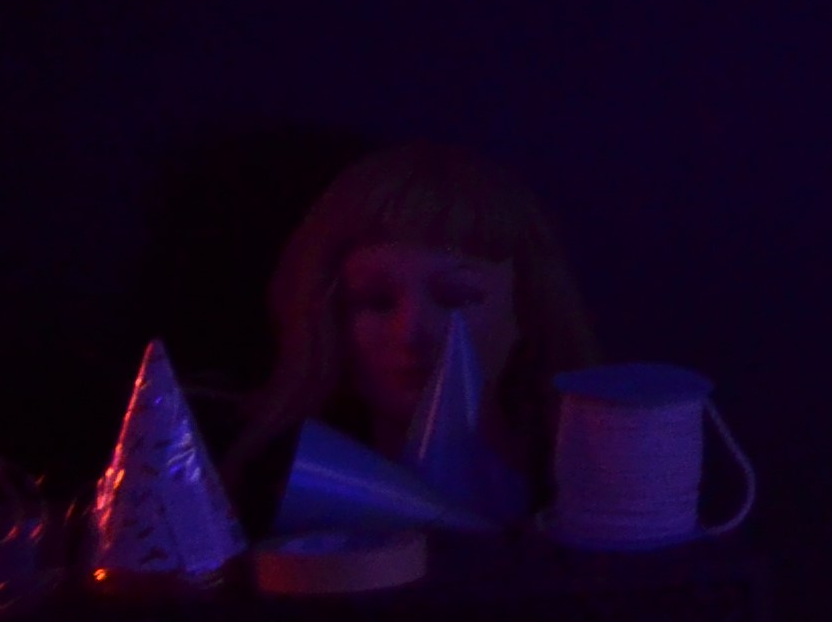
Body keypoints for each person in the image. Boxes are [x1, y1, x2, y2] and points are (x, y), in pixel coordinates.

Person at [224, 141, 602, 519]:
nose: (410, 333)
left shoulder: (597, 486)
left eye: (455, 299)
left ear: (526, 308)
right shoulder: (264, 492)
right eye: (376, 302)